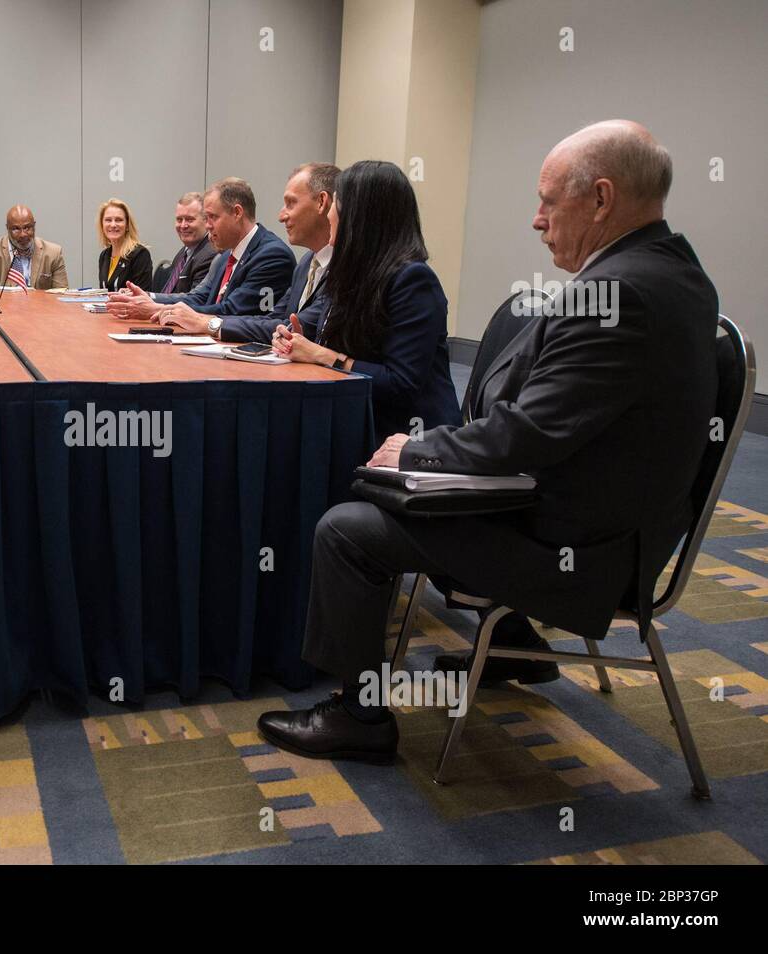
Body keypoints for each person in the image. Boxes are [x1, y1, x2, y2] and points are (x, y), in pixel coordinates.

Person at [256, 120, 719, 763]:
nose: (536, 220)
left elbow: (529, 434)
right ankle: (518, 648)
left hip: (575, 546)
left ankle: (359, 715)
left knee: (349, 526)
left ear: (602, 199)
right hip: (594, 514)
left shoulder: (620, 293)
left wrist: (418, 454)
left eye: (548, 202)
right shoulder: (670, 273)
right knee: (382, 486)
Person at [270, 160, 461, 440]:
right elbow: (343, 351)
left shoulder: (413, 280)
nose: (330, 215)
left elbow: (400, 384)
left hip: (406, 438)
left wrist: (321, 355)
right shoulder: (349, 273)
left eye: (335, 204)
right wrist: (301, 343)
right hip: (357, 419)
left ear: (359, 215)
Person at [160, 163, 338, 343]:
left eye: (290, 203)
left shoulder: (275, 255)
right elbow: (275, 320)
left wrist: (209, 324)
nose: (281, 216)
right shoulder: (306, 263)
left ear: (322, 202)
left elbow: (294, 327)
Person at [107, 177, 294, 328]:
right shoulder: (225, 257)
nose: (207, 225)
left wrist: (157, 309)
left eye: (212, 217)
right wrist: (150, 299)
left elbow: (234, 310)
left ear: (237, 213)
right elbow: (199, 297)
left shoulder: (271, 256)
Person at [0, 205, 68, 289]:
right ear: (7, 228)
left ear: (34, 226)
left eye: (27, 227)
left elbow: (61, 295)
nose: (23, 234)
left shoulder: (53, 253)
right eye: (16, 229)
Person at [157, 192, 215, 294]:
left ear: (206, 220)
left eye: (190, 219)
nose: (183, 225)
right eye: (179, 220)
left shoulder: (210, 255)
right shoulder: (183, 253)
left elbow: (193, 301)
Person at [96, 198, 153, 291]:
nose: (113, 224)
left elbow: (142, 296)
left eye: (118, 220)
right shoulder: (104, 255)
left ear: (127, 225)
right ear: (102, 225)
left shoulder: (140, 254)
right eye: (108, 220)